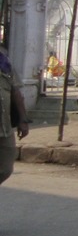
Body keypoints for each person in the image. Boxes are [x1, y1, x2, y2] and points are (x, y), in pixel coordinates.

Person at [1, 46, 30, 186]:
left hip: (4, 127)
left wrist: (22, 120)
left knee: (5, 169)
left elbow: (16, 92)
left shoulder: (4, 63)